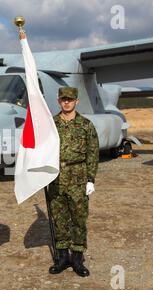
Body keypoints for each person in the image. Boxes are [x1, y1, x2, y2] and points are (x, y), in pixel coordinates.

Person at [47, 87, 99, 277]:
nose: (66, 102)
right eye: (63, 99)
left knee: (78, 219)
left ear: (77, 101)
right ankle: (62, 258)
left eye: (70, 99)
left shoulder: (86, 125)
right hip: (55, 178)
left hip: (78, 177)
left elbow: (93, 154)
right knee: (59, 219)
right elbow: (41, 150)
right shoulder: (50, 124)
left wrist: (90, 179)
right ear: (58, 101)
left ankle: (77, 259)